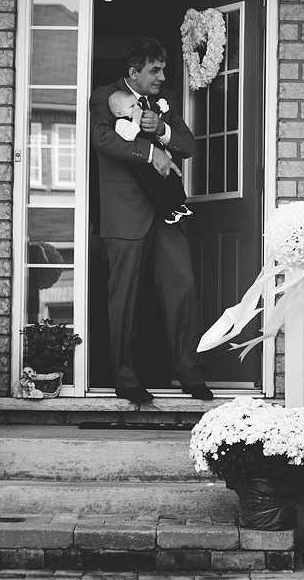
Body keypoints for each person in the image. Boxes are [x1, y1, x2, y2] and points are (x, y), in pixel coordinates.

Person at [89, 36, 213, 404]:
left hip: (167, 213)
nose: (161, 76)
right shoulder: (104, 95)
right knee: (123, 298)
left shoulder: (168, 101)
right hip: (124, 212)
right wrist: (150, 155)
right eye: (154, 70)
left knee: (184, 288)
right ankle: (125, 379)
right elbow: (102, 139)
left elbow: (189, 146)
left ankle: (189, 375)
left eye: (163, 70)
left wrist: (162, 129)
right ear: (134, 72)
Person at [108, 88, 193, 225]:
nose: (137, 108)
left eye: (137, 104)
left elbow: (152, 137)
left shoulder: (140, 118)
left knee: (174, 178)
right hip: (142, 165)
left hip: (161, 159)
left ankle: (180, 204)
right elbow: (128, 137)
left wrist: (164, 151)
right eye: (132, 106)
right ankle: (168, 212)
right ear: (119, 113)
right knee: (157, 187)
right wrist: (136, 120)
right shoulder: (121, 123)